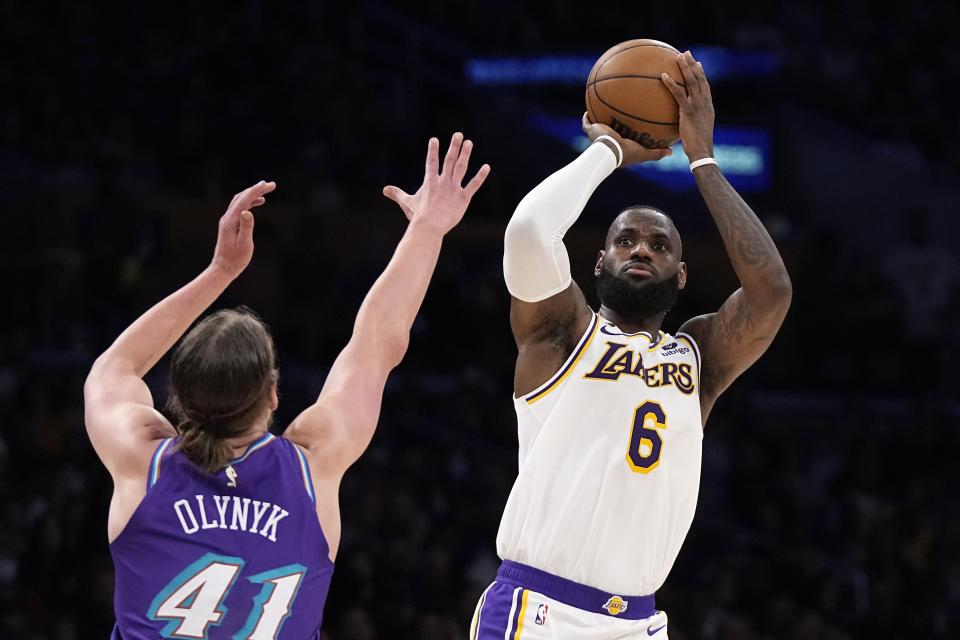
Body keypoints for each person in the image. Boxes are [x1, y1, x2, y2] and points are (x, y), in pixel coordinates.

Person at [82, 133, 489, 639]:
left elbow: (114, 368)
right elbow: (377, 344)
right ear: (274, 394)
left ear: (177, 397)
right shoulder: (312, 464)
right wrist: (428, 230)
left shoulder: (142, 461)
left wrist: (219, 272)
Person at [470, 51, 792, 638]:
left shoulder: (698, 356)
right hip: (540, 611)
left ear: (682, 274)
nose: (642, 249)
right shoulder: (564, 332)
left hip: (639, 622)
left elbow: (771, 291)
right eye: (626, 240)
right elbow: (528, 232)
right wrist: (607, 151)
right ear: (599, 261)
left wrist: (704, 161)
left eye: (660, 244)